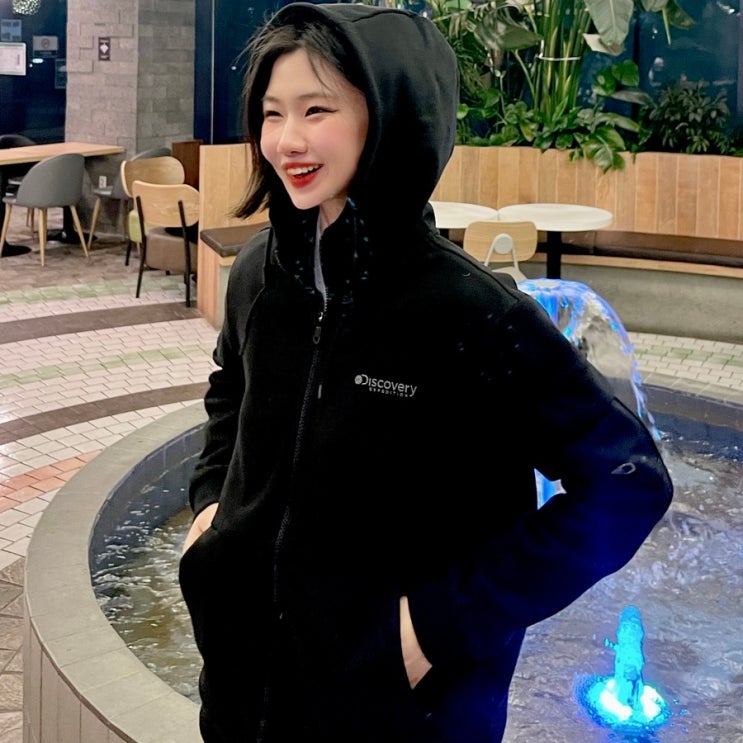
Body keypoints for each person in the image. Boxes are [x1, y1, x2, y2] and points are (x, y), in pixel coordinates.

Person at [178, 4, 673, 742]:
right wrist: (212, 513)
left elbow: (628, 483)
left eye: (317, 110)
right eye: (272, 112)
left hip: (405, 715)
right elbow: (232, 390)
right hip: (241, 698)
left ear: (391, 115)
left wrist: (436, 625)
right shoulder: (260, 272)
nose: (286, 140)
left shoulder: (472, 312)